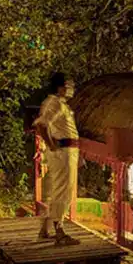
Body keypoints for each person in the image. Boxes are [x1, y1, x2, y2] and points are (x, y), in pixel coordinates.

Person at [33, 73, 78, 244]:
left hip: (67, 150)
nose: (71, 89)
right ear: (60, 87)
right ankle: (59, 231)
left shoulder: (59, 104)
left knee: (57, 190)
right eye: (69, 85)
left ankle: (45, 230)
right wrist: (52, 145)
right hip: (63, 151)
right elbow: (41, 124)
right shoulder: (54, 104)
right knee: (63, 190)